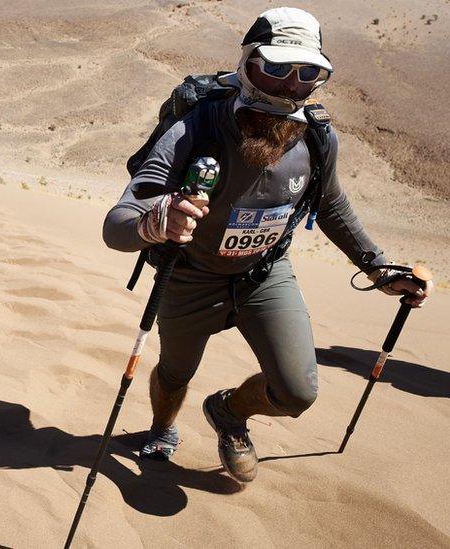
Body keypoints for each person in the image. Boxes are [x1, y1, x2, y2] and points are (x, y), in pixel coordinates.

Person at [102, 7, 433, 483]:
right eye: (276, 67)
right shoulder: (197, 127)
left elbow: (332, 206)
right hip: (190, 276)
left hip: (265, 276)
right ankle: (161, 429)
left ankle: (230, 412)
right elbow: (118, 224)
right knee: (175, 374)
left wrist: (380, 270)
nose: (290, 84)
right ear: (248, 63)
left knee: (297, 391)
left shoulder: (316, 136)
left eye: (309, 73)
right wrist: (156, 222)